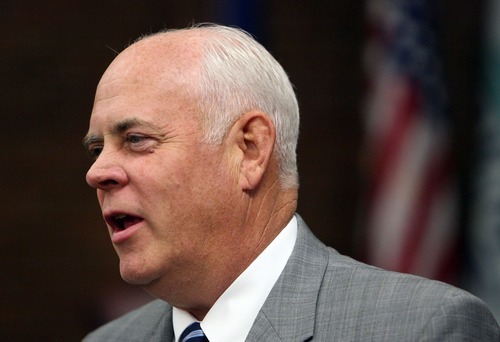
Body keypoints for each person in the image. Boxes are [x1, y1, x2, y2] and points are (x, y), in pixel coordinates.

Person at [82, 24, 499, 341]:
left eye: (136, 140)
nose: (97, 172)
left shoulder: (421, 328)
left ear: (250, 149)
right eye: (97, 148)